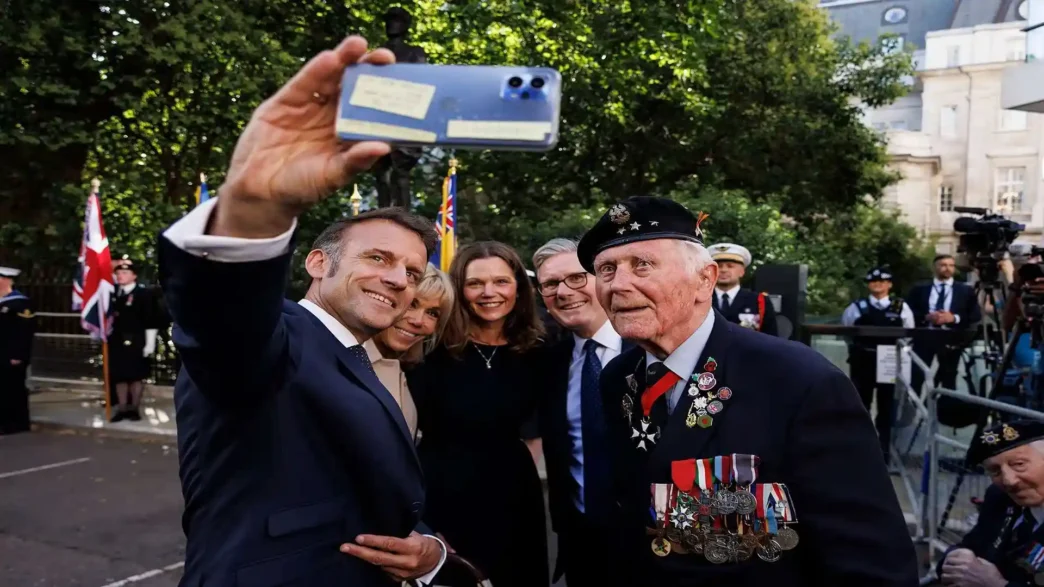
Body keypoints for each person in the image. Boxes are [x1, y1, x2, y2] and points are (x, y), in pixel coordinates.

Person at [158, 36, 446, 586]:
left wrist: (429, 551)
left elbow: (375, 491)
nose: (398, 279)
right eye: (378, 258)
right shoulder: (278, 337)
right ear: (317, 263)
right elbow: (222, 318)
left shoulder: (359, 355)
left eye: (412, 272)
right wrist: (254, 208)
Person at [577, 196, 918, 585]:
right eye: (606, 269)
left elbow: (871, 562)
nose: (618, 284)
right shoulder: (619, 377)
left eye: (643, 265)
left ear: (704, 279)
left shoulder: (799, 381)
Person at [407, 241, 550, 587]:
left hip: (516, 496)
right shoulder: (428, 349)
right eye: (475, 283)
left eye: (501, 281)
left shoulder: (539, 352)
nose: (489, 293)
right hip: (444, 494)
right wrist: (423, 521)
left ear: (519, 287)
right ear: (460, 289)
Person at [532, 238, 630, 587]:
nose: (563, 292)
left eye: (576, 277)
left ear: (603, 279)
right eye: (550, 284)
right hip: (580, 543)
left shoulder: (653, 351)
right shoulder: (549, 365)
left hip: (650, 544)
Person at [937, 420, 1044, 586]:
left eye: (1019, 464)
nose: (1009, 480)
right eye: (995, 471)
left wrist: (995, 584)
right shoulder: (1000, 498)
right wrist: (955, 560)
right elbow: (972, 544)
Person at [365, 263, 454, 440]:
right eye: (412, 304)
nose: (418, 321)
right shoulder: (345, 361)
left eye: (433, 313)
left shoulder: (411, 372)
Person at [840, 266, 915, 458]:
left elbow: (909, 333)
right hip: (863, 360)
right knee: (860, 406)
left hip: (889, 362)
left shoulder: (901, 307)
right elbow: (847, 332)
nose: (878, 285)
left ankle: (884, 453)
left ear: (889, 284)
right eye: (873, 281)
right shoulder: (856, 307)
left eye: (882, 281)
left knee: (887, 407)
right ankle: (859, 451)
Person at [907, 254, 982, 395]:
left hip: (951, 339)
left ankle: (946, 412)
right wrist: (926, 317)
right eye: (943, 265)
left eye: (951, 265)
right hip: (925, 337)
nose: (947, 268)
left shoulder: (965, 290)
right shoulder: (919, 289)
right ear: (934, 267)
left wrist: (953, 318)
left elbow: (975, 315)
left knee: (949, 379)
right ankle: (911, 410)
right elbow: (908, 311)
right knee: (917, 376)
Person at [108, 255, 161, 422]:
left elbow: (151, 319)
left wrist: (150, 343)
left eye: (124, 272)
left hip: (137, 340)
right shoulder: (114, 294)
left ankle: (134, 408)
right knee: (119, 376)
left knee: (136, 376)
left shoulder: (143, 294)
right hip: (117, 340)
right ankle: (122, 408)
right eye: (118, 273)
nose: (120, 276)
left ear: (134, 275)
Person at [707, 242, 778, 336]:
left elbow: (771, 338)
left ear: (742, 271)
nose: (723, 270)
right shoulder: (700, 299)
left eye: (730, 266)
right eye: (719, 266)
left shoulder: (759, 301)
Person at [0, 265, 35, 435]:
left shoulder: (20, 303)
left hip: (12, 355)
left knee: (13, 389)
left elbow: (24, 332)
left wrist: (18, 354)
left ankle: (17, 423)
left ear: (6, 280)